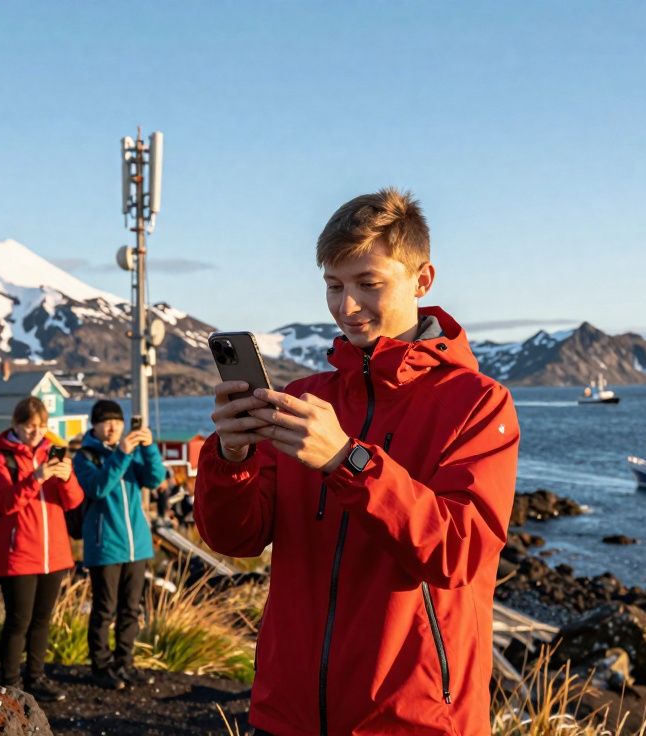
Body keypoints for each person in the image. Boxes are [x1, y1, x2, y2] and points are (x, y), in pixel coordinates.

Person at [195, 188, 520, 735]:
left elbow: (460, 554)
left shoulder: (479, 403)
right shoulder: (303, 397)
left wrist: (348, 461)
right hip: (287, 713)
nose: (347, 306)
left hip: (413, 720)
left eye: (369, 284)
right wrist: (233, 456)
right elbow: (235, 538)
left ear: (422, 280)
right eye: (334, 285)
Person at [0, 397, 85, 700]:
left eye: (42, 426)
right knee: (18, 620)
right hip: (19, 554)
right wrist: (36, 478)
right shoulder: (1, 460)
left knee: (42, 620)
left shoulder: (52, 453)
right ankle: (10, 682)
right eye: (30, 426)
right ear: (16, 425)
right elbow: (3, 503)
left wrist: (66, 479)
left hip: (54, 554)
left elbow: (74, 501)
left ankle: (35, 678)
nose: (36, 432)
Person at [73, 400, 167, 690]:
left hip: (137, 544)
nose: (113, 427)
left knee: (130, 609)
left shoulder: (133, 452)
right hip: (105, 545)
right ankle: (100, 667)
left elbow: (155, 479)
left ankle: (123, 663)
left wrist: (148, 448)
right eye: (106, 422)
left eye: (117, 421)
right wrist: (123, 454)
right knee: (104, 609)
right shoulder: (85, 456)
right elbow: (99, 488)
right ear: (95, 425)